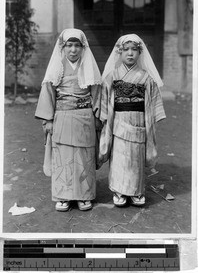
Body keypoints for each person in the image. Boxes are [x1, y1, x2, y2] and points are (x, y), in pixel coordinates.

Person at [35, 28, 102, 212]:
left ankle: (84, 195)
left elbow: (96, 94)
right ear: (62, 47)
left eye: (77, 46)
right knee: (63, 156)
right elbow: (48, 92)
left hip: (85, 117)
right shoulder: (57, 67)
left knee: (83, 157)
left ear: (83, 47)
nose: (73, 50)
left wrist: (98, 116)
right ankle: (63, 196)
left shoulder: (88, 67)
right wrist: (48, 120)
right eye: (69, 45)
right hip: (62, 117)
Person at [99, 34, 166, 207]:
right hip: (119, 121)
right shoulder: (111, 76)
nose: (130, 54)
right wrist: (104, 119)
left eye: (134, 50)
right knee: (119, 158)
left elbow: (153, 103)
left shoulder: (146, 78)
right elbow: (105, 101)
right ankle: (119, 191)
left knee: (136, 159)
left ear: (139, 52)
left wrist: (150, 120)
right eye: (126, 50)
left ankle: (137, 191)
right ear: (119, 53)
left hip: (138, 121)